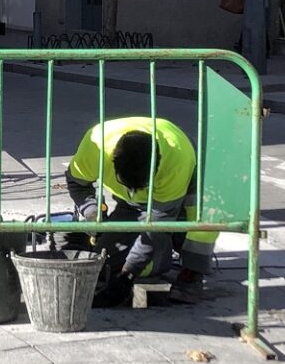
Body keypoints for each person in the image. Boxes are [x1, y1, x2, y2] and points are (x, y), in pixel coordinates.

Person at [63, 117, 218, 307]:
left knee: (202, 218)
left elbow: (157, 226)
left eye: (140, 186)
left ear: (156, 167)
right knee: (107, 262)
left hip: (184, 171)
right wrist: (92, 212)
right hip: (134, 202)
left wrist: (128, 275)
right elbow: (77, 184)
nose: (134, 191)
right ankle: (161, 248)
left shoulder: (176, 162)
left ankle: (191, 273)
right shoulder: (96, 147)